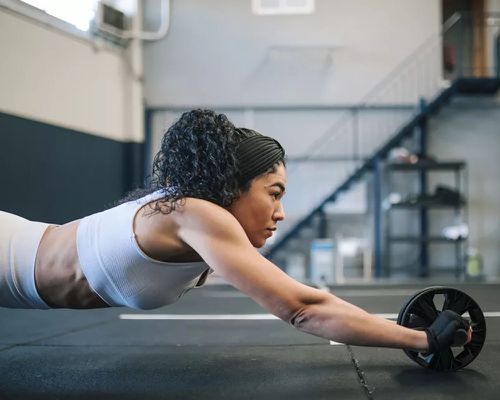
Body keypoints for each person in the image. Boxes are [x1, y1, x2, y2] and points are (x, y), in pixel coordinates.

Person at [0, 109, 470, 355]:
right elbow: (304, 309)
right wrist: (421, 339)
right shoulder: (195, 213)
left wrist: (411, 331)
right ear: (231, 187)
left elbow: (306, 298)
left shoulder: (193, 220)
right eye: (274, 192)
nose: (281, 213)